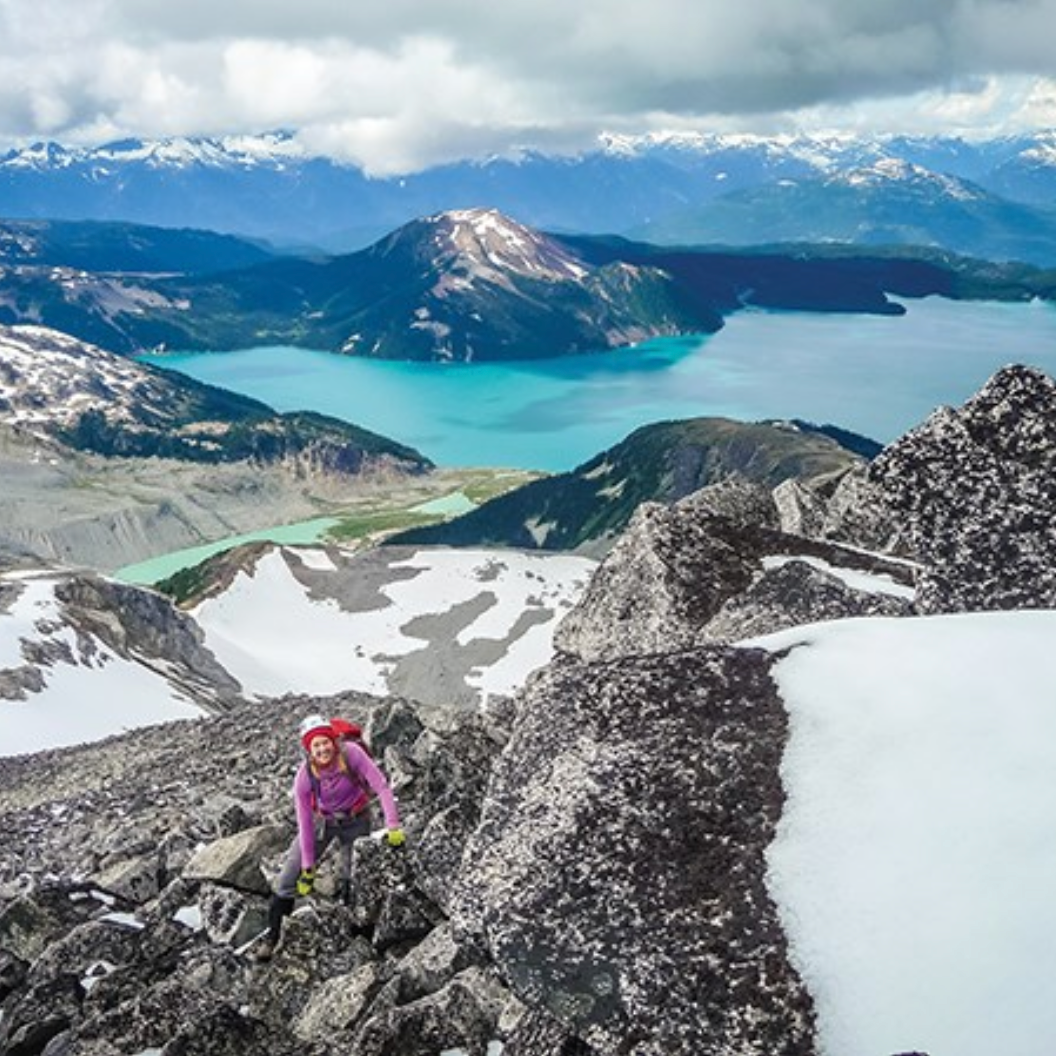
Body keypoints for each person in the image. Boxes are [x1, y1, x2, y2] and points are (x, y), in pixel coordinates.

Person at [253, 713, 405, 962]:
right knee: (288, 879)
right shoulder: (304, 776)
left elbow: (382, 787)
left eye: (325, 742)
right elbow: (304, 823)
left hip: (356, 819)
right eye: (316, 745)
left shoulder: (353, 753)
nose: (323, 748)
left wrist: (393, 825)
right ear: (309, 750)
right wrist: (308, 867)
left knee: (353, 877)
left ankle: (359, 939)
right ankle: (273, 938)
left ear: (333, 741)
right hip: (321, 821)